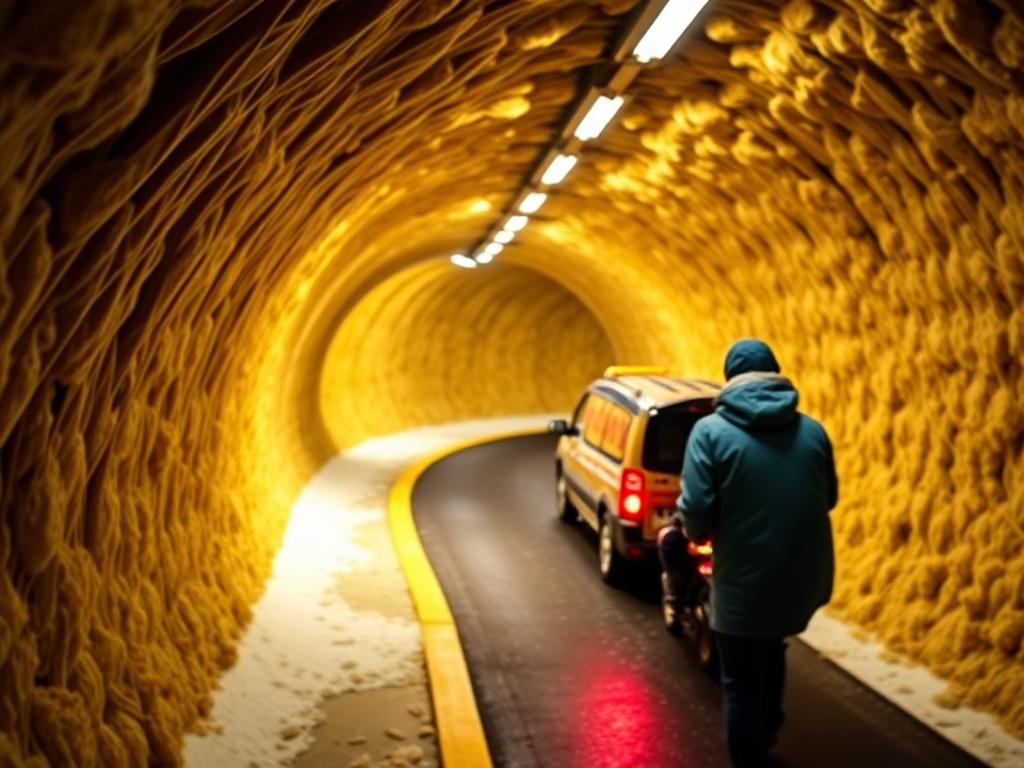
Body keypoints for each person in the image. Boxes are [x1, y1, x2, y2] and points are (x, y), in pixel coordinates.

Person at [660, 338, 837, 768]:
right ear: (776, 375)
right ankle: (770, 727)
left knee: (738, 679)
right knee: (772, 645)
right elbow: (828, 496)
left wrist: (697, 531)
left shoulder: (710, 431)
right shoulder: (812, 430)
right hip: (800, 574)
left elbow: (697, 508)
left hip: (744, 577)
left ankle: (750, 758)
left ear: (731, 380)